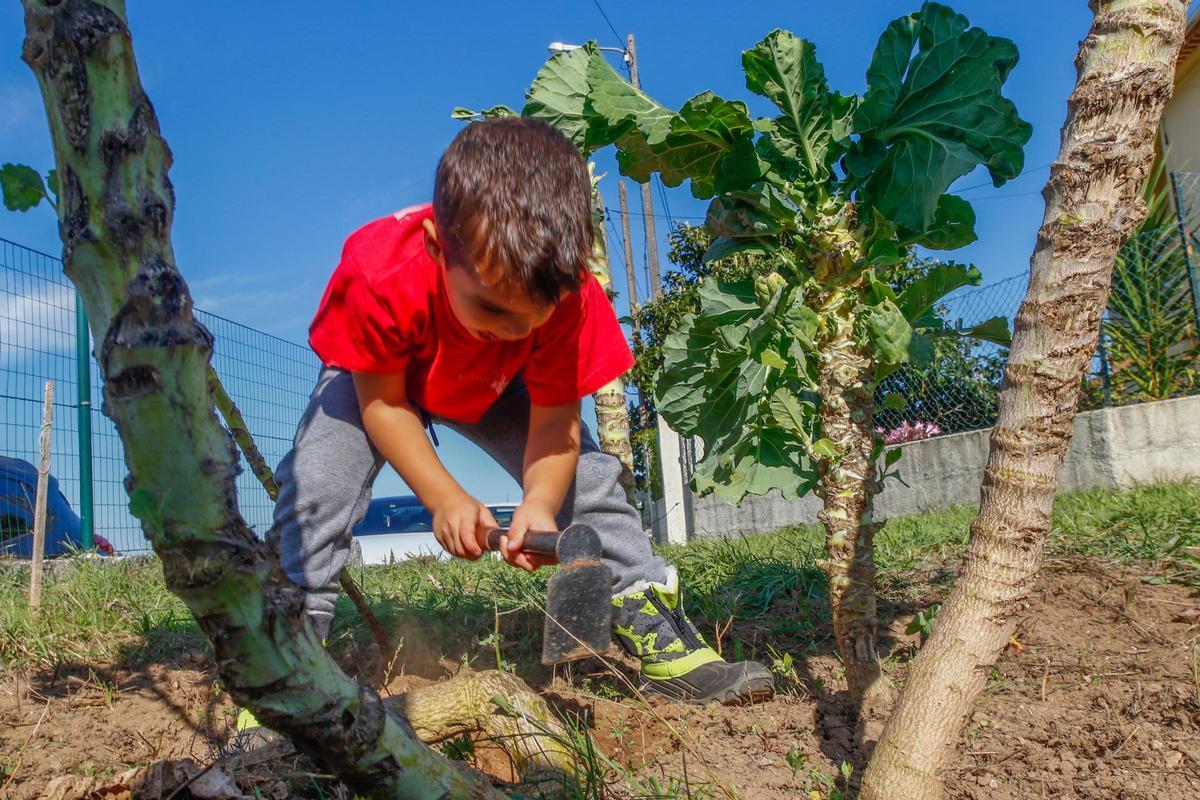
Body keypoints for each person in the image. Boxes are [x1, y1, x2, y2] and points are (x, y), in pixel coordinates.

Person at [246, 118, 772, 731]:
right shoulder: (378, 271)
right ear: (438, 244)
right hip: (378, 381)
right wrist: (443, 496)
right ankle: (285, 665)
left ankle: (650, 617)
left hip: (496, 385)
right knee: (318, 484)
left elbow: (556, 426)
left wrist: (541, 506)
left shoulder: (570, 300)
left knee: (592, 479)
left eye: (532, 317)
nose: (514, 329)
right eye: (492, 308)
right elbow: (384, 407)